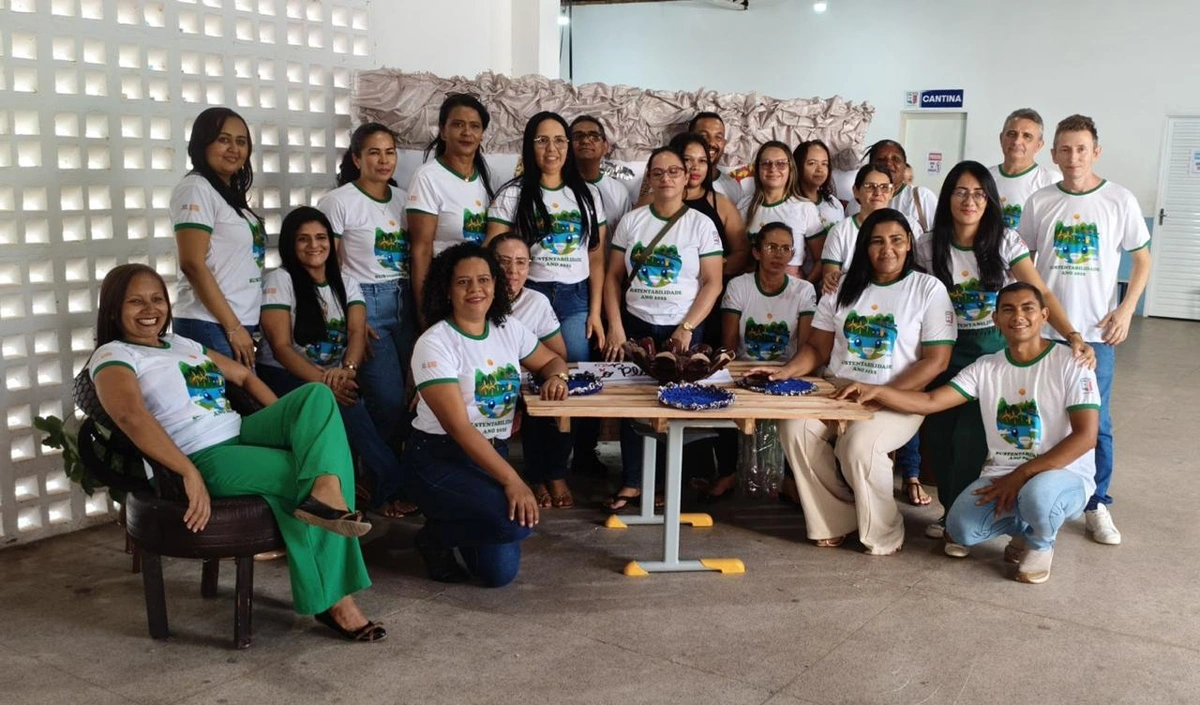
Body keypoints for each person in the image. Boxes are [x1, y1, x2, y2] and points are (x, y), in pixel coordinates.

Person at [90, 264, 384, 641]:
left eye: (157, 299)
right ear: (114, 309)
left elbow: (244, 376)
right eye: (135, 301)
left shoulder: (182, 344)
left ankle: (324, 493)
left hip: (240, 430)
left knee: (316, 397)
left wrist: (290, 426)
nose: (149, 309)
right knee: (302, 473)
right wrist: (187, 472)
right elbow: (130, 416)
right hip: (201, 454)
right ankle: (337, 603)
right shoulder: (114, 355)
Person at [837, 283, 1101, 583]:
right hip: (1003, 474)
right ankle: (1025, 533)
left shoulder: (1072, 363)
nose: (1019, 316)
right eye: (1008, 309)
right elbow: (931, 401)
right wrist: (876, 392)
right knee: (960, 528)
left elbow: (1086, 436)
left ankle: (1041, 543)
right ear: (995, 320)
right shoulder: (986, 367)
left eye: (1028, 308)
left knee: (1038, 496)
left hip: (1063, 475)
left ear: (1044, 315)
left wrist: (1022, 474)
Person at [750, 209, 955, 555]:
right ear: (864, 246)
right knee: (794, 428)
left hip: (899, 395)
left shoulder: (927, 288)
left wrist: (884, 393)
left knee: (859, 447)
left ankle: (884, 530)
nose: (886, 249)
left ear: (908, 246)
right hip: (837, 388)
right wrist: (786, 372)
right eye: (876, 241)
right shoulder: (843, 285)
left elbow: (937, 361)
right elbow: (816, 347)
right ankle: (837, 517)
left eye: (896, 240)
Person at [916, 161, 1094, 550]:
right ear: (947, 197)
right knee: (941, 436)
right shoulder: (928, 245)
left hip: (991, 352)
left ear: (990, 200)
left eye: (979, 193)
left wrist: (1072, 334)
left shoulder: (1004, 241)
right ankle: (955, 508)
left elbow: (1040, 293)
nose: (969, 200)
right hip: (943, 350)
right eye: (961, 192)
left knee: (971, 438)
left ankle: (967, 517)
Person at [1018, 114, 1152, 546]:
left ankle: (1097, 503)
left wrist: (1127, 309)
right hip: (1045, 332)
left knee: (1098, 422)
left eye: (1081, 148)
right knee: (1040, 418)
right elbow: (1024, 264)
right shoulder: (1040, 201)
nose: (1073, 156)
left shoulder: (1119, 199)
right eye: (1064, 148)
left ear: (1096, 151)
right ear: (1053, 153)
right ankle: (1036, 497)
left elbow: (1143, 259)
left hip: (1096, 333)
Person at [401, 243, 569, 587]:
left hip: (492, 453)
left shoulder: (508, 328)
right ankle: (433, 538)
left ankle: (460, 522)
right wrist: (513, 481)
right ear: (447, 290)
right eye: (463, 282)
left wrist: (557, 376)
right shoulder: (435, 343)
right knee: (515, 523)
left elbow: (552, 359)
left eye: (483, 280)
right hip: (440, 458)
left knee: (497, 575)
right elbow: (460, 428)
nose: (476, 290)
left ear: (495, 284)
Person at [484, 111, 607, 508]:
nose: (551, 148)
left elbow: (598, 258)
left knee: (565, 387)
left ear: (568, 147)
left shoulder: (587, 194)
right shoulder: (512, 194)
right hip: (528, 295)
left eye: (559, 140)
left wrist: (596, 312)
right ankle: (535, 473)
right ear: (530, 146)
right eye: (542, 140)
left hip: (574, 300)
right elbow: (493, 254)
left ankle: (556, 470)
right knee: (531, 386)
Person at [257, 206, 410, 517]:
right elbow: (282, 347)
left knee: (372, 405)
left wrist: (347, 371)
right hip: (284, 376)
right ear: (290, 244)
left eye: (321, 237)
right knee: (345, 406)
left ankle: (368, 487)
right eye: (303, 239)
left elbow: (356, 333)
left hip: (334, 376)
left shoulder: (346, 281)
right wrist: (322, 381)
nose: (314, 245)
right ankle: (390, 486)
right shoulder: (280, 280)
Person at [602, 146, 724, 511]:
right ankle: (633, 481)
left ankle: (670, 484)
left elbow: (712, 282)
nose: (666, 178)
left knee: (677, 408)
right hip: (637, 323)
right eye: (658, 172)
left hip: (682, 329)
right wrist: (616, 328)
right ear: (650, 179)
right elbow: (612, 278)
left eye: (674, 171)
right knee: (633, 406)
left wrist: (688, 327)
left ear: (687, 177)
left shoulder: (701, 224)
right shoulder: (632, 221)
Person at [697, 222, 816, 500]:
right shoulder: (739, 286)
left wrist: (784, 374)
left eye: (785, 248)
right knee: (718, 398)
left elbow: (807, 346)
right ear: (756, 252)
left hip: (788, 371)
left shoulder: (804, 290)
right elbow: (729, 345)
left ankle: (787, 479)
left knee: (796, 411)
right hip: (744, 369)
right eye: (771, 247)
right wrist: (742, 376)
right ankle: (729, 472)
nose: (778, 254)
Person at [316, 123, 412, 445]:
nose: (384, 160)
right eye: (374, 153)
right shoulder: (338, 202)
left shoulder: (404, 199)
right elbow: (328, 266)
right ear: (356, 159)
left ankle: (394, 473)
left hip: (406, 302)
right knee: (386, 399)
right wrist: (353, 320)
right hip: (367, 305)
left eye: (390, 152)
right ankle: (375, 476)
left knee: (411, 395)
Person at [171, 107, 265, 367]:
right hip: (211, 324)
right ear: (203, 143)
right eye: (223, 139)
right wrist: (233, 327)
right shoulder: (196, 188)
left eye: (241, 141)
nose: (234, 148)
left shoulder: (224, 192)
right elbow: (192, 263)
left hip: (232, 323)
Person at [488, 233, 573, 508]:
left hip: (527, 379)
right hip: (487, 384)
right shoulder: (477, 297)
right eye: (503, 263)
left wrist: (550, 375)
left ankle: (555, 475)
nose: (513, 272)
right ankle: (535, 478)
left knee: (553, 395)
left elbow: (559, 355)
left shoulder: (536, 301)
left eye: (521, 263)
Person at [407, 93, 496, 319]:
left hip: (478, 293)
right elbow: (421, 250)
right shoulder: (428, 177)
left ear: (482, 134)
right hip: (444, 292)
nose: (467, 133)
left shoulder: (487, 179)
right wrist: (423, 312)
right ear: (443, 131)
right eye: (458, 125)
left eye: (474, 126)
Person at [820, 164, 921, 295]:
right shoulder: (840, 231)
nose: (878, 193)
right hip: (853, 297)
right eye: (869, 187)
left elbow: (917, 270)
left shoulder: (910, 226)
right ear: (856, 191)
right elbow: (831, 280)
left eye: (884, 187)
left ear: (892, 192)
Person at [743, 141, 825, 283]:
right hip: (752, 292)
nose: (773, 169)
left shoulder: (804, 208)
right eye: (766, 163)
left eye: (781, 164)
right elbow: (740, 257)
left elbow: (821, 259)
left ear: (791, 169)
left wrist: (803, 289)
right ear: (757, 169)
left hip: (792, 294)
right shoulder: (743, 206)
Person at [989, 108, 1063, 236]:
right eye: (1012, 134)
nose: (1017, 141)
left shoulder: (1052, 181)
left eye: (1027, 136)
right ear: (1001, 138)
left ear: (1039, 145)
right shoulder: (984, 177)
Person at [850, 140, 938, 234]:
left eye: (895, 159)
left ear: (904, 166)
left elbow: (938, 236)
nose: (888, 163)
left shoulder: (922, 196)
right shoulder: (856, 204)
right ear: (871, 164)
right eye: (881, 159)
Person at [569, 115, 633, 231]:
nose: (585, 141)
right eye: (578, 136)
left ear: (605, 146)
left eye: (594, 136)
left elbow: (625, 236)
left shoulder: (619, 192)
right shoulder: (557, 186)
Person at [689, 112, 747, 204]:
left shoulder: (733, 188)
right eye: (703, 136)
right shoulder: (675, 183)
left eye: (718, 137)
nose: (711, 143)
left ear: (724, 144)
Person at [794, 139, 846, 233]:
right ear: (797, 166)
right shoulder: (790, 205)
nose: (820, 169)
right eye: (812, 163)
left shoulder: (834, 203)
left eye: (824, 164)